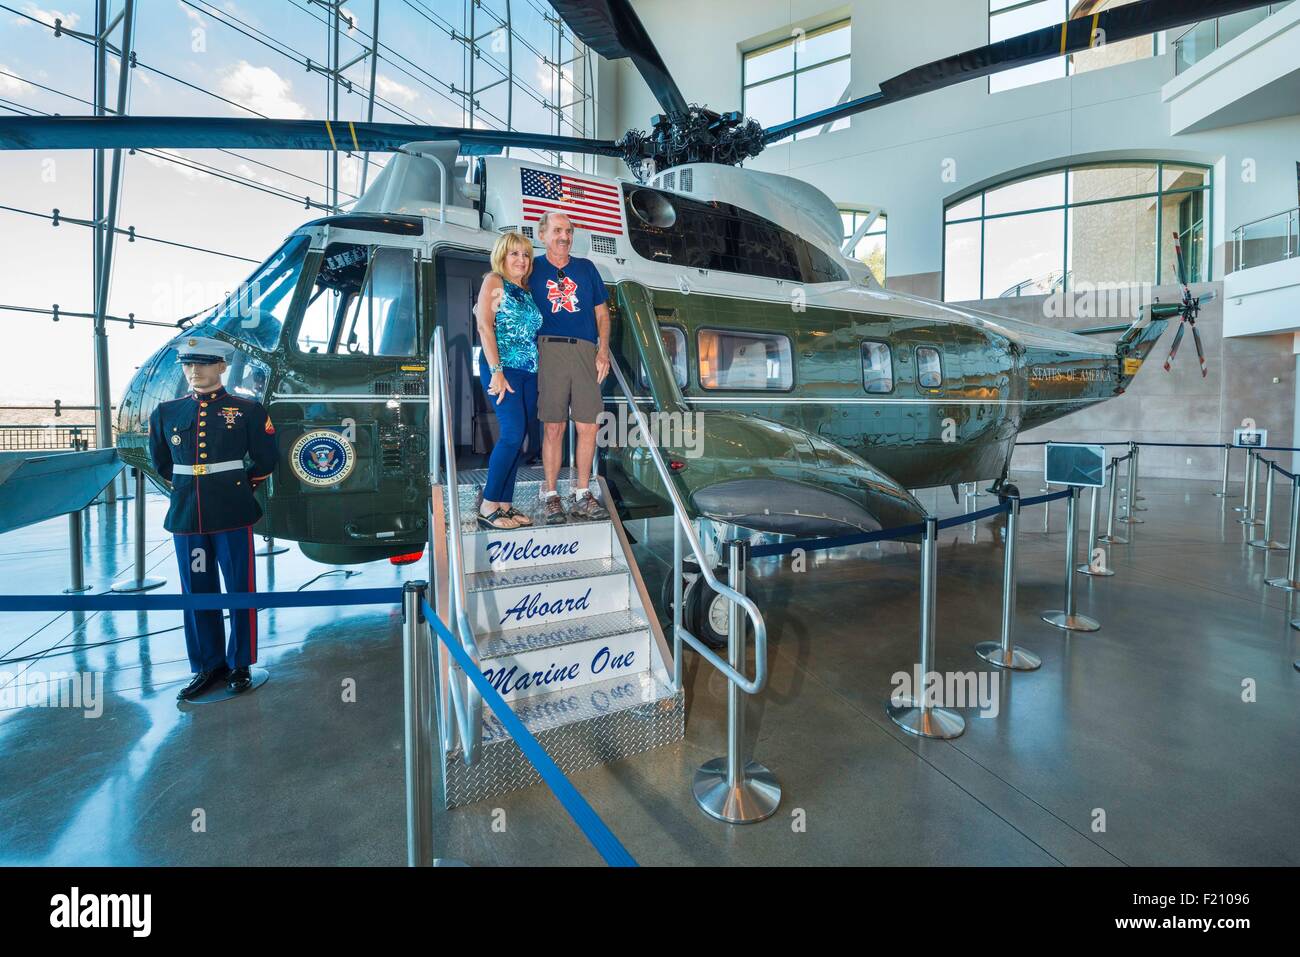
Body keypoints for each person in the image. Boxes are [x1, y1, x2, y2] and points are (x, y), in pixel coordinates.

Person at [148, 336, 278, 701]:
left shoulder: (247, 410)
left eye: (202, 364)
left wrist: (239, 489)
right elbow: (162, 463)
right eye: (188, 365)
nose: (194, 371)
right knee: (197, 592)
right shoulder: (167, 412)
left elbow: (266, 460)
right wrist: (191, 487)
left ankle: (240, 663)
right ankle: (208, 665)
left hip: (232, 512)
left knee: (239, 588)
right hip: (188, 516)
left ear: (221, 367)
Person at [527, 211, 611, 525]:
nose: (565, 236)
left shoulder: (586, 269)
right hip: (549, 348)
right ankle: (550, 495)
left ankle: (581, 493)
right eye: (558, 230)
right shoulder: (532, 268)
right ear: (543, 234)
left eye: (569, 231)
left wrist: (603, 350)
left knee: (588, 424)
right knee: (553, 425)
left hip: (587, 351)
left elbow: (602, 315)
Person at [473, 231, 543, 530]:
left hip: (528, 372)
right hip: (502, 369)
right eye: (514, 253)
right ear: (502, 256)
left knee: (521, 439)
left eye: (526, 254)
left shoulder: (525, 291)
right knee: (512, 434)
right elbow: (485, 327)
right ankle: (488, 504)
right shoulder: (495, 281)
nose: (522, 260)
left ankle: (504, 504)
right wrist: (497, 370)